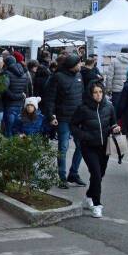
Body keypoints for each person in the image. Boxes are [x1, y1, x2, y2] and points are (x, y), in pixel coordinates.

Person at [72, 81, 120, 218]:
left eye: (100, 92)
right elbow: (73, 125)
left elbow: (113, 123)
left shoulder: (109, 107)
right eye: (95, 92)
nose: (98, 95)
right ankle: (97, 205)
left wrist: (115, 128)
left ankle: (89, 195)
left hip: (104, 146)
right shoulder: (83, 108)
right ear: (90, 94)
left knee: (100, 174)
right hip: (88, 146)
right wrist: (84, 136)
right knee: (96, 173)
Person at [42, 54, 86, 188]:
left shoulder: (79, 76)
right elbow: (49, 98)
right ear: (72, 65)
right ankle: (62, 176)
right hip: (63, 118)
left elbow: (82, 95)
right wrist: (51, 116)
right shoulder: (57, 77)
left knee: (82, 146)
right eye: (78, 63)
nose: (80, 65)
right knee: (63, 147)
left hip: (78, 118)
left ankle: (73, 173)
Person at [1, 55, 30, 136]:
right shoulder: (24, 73)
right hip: (20, 104)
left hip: (9, 104)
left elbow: (4, 88)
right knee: (16, 129)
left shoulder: (7, 73)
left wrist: (13, 96)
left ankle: (8, 147)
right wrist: (21, 96)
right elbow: (26, 90)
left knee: (8, 129)